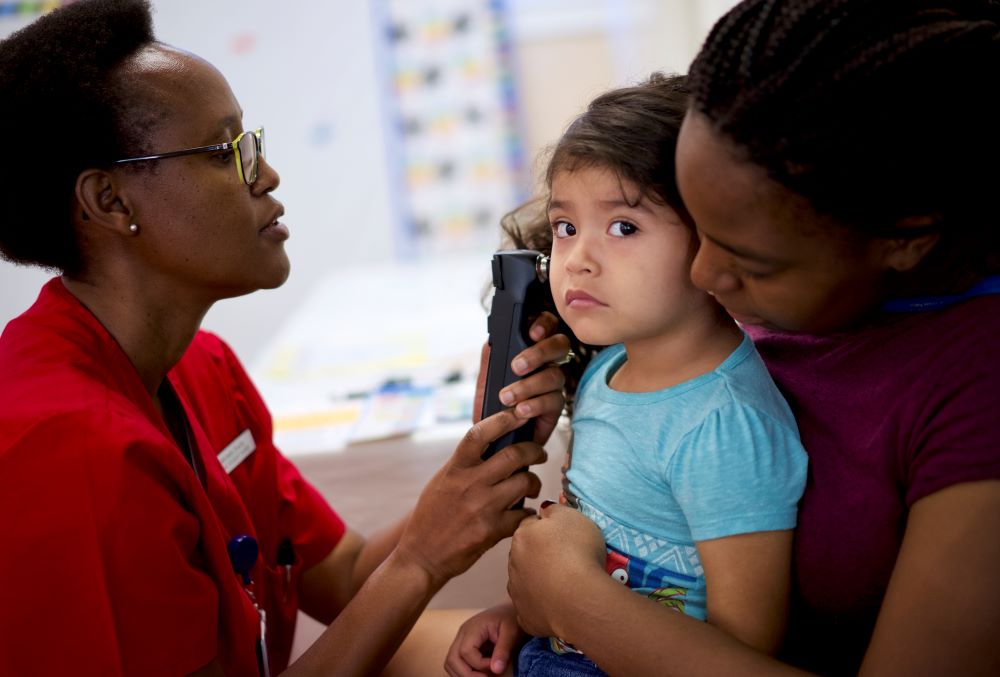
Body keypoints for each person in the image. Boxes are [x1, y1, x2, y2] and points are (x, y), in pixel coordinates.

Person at [0, 1, 570, 675]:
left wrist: (480, 460)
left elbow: (348, 575)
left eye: (255, 145)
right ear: (112, 202)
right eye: (227, 152)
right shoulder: (71, 452)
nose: (265, 176)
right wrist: (421, 559)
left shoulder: (199, 365)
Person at [506, 1, 1000, 675]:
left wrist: (574, 599)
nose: (704, 274)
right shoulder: (769, 282)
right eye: (699, 224)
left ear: (906, 235)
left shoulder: (978, 390)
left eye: (748, 258)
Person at [446, 73, 808, 677]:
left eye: (623, 227)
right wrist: (522, 614)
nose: (579, 258)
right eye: (566, 227)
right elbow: (601, 545)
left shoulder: (725, 426)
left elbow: (744, 647)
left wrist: (566, 612)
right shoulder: (607, 370)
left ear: (713, 236)